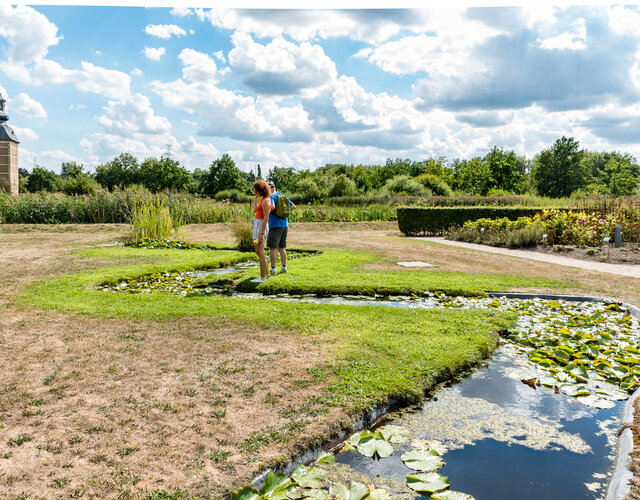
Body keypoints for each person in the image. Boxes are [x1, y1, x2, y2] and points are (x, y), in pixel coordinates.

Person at [267, 181, 296, 276]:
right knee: (282, 248)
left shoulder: (271, 196)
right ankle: (284, 268)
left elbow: (272, 207)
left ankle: (273, 270)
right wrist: (284, 211)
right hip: (284, 225)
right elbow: (293, 206)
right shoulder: (282, 196)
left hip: (275, 225)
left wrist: (270, 211)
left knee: (273, 249)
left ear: (269, 188)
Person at [251, 179, 273, 282]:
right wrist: (255, 198)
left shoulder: (266, 200)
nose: (255, 192)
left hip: (260, 226)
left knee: (260, 252)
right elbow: (254, 210)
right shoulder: (262, 199)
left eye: (256, 190)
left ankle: (262, 277)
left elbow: (266, 218)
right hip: (257, 225)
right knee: (258, 251)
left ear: (260, 189)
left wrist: (262, 233)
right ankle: (267, 274)